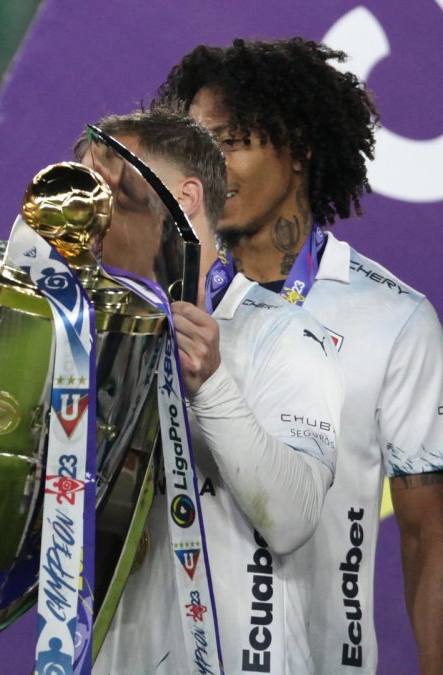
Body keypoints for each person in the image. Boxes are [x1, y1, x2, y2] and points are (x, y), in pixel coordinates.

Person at [159, 37, 443, 674]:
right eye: (197, 146)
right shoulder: (156, 304)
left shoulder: (395, 320)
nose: (208, 168)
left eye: (230, 142)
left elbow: (430, 537)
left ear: (300, 151)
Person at [70, 109, 344, 673]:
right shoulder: (81, 337)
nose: (86, 220)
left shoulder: (285, 334)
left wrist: (213, 386)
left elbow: (292, 517)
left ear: (185, 197)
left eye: (108, 197)